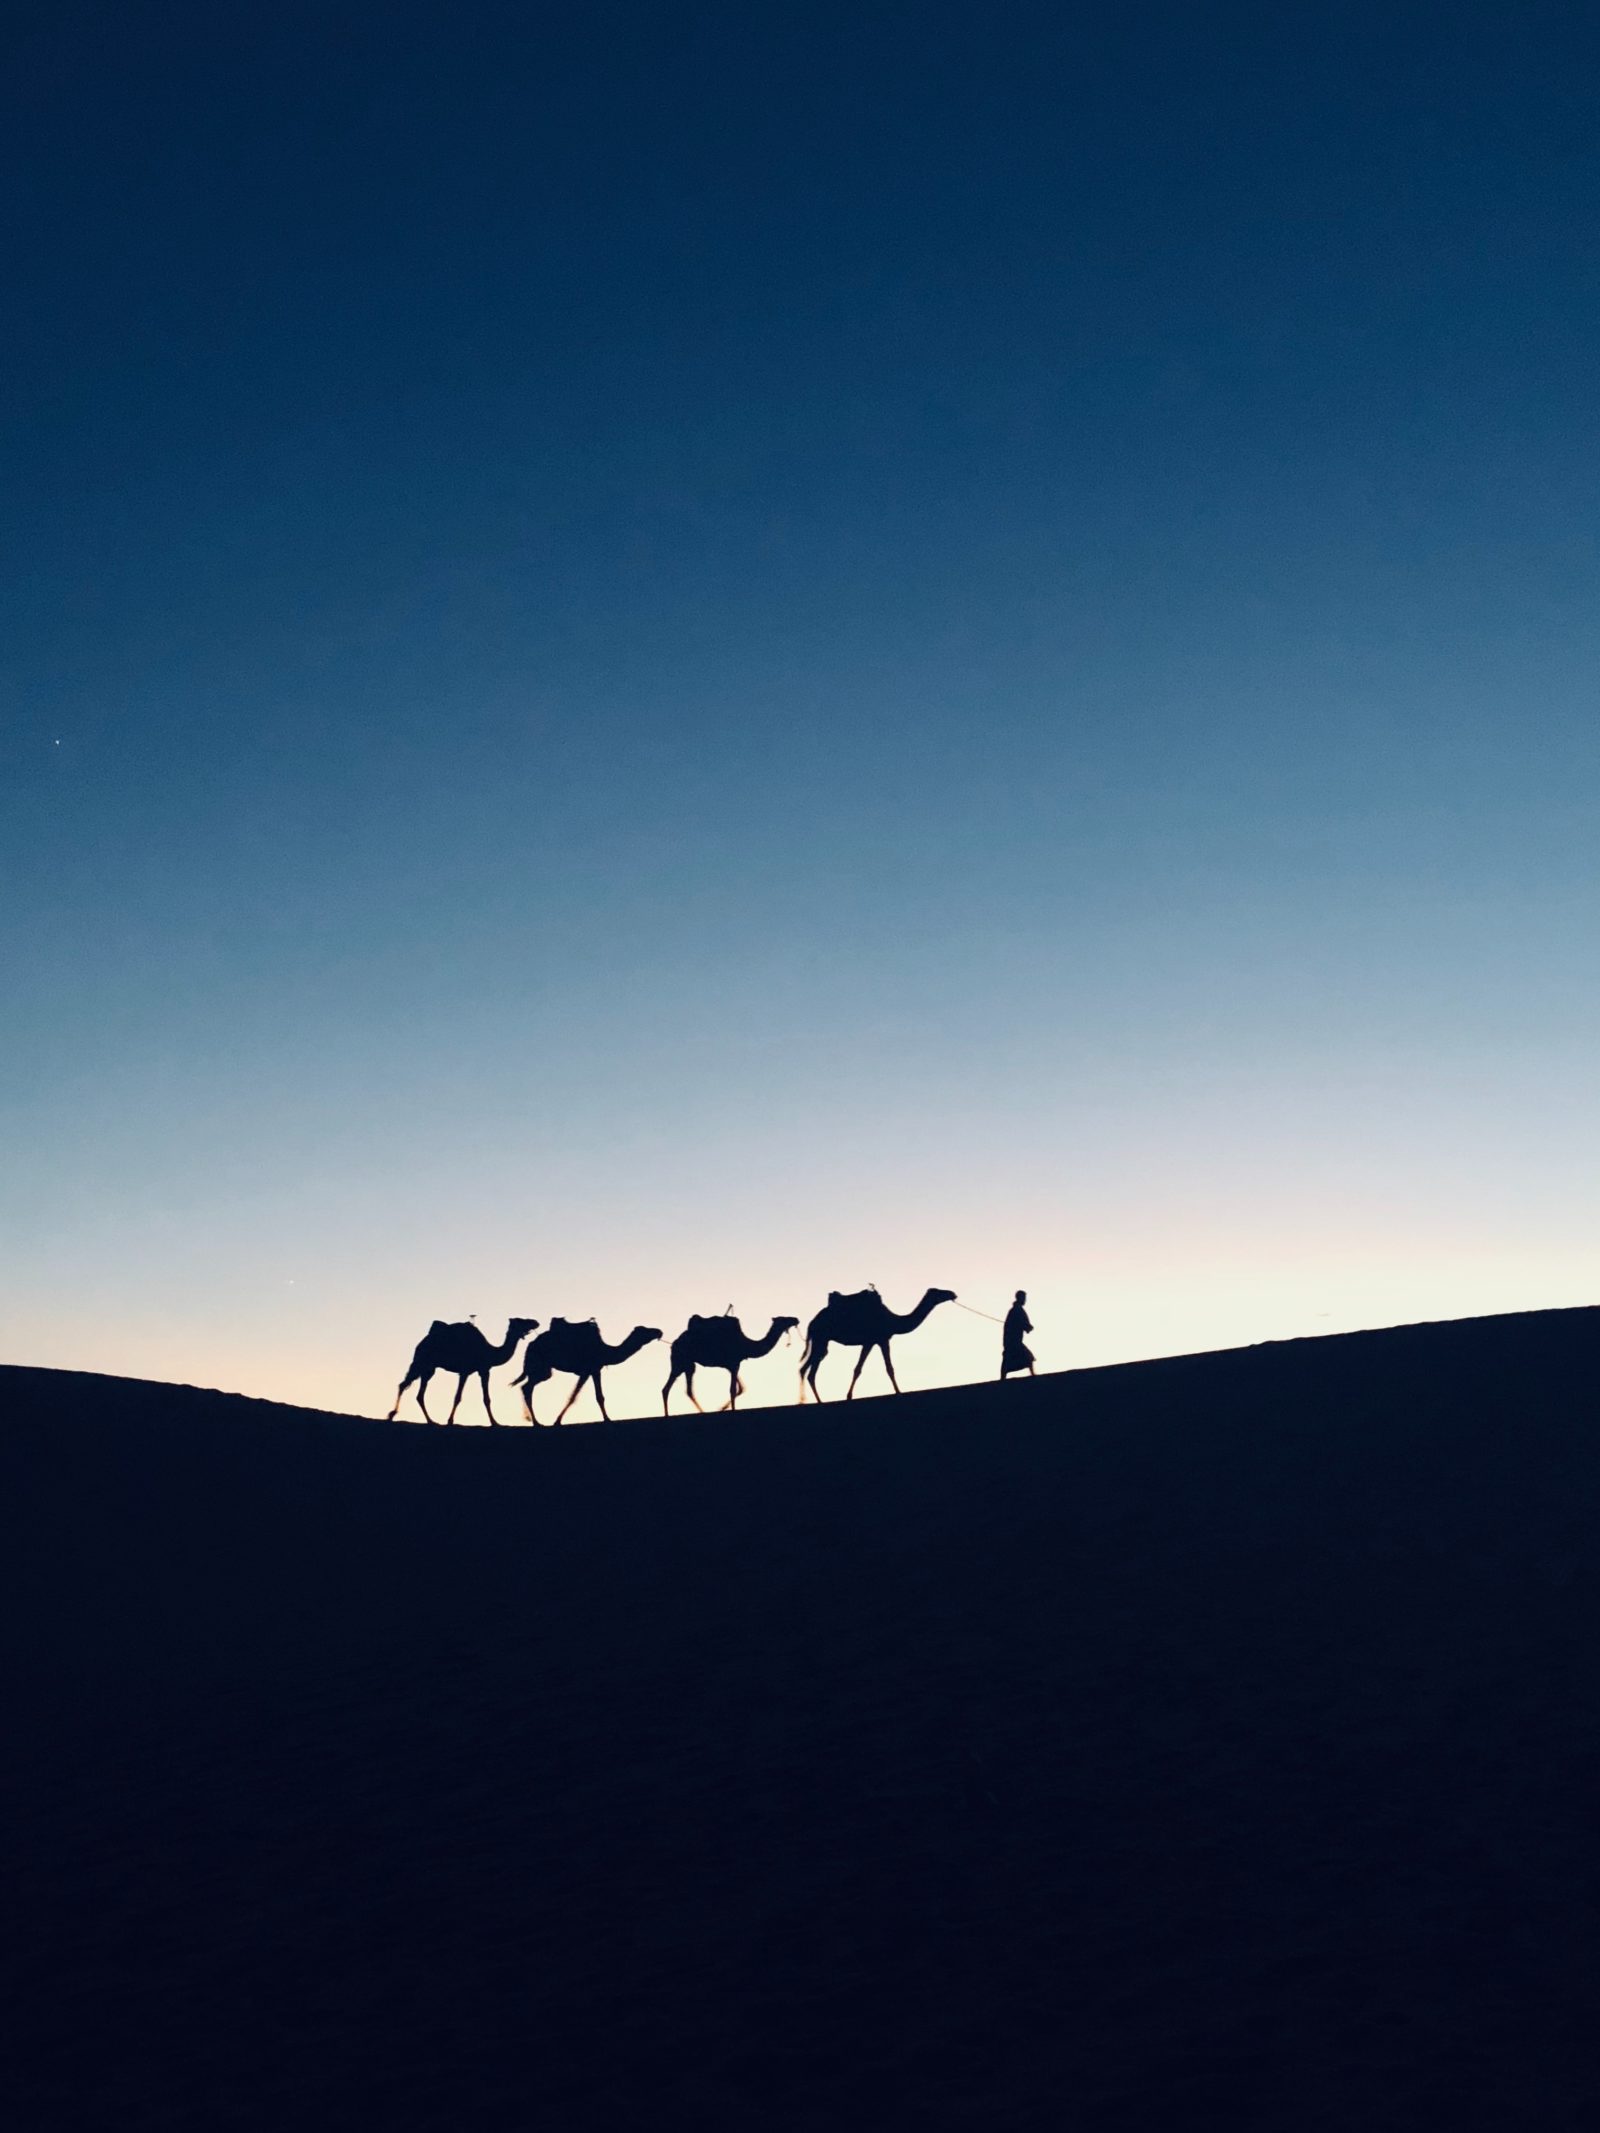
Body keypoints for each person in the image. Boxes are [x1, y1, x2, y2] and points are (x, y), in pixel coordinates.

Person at [1000, 1290, 1035, 1379]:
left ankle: (1003, 1377)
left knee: (1009, 1359)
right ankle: (1032, 1374)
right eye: (1024, 1298)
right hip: (1013, 1341)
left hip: (1013, 1340)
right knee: (1027, 1357)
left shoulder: (1016, 1310)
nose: (1025, 1300)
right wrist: (1028, 1327)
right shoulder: (1016, 1310)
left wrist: (1027, 1326)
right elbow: (1022, 1323)